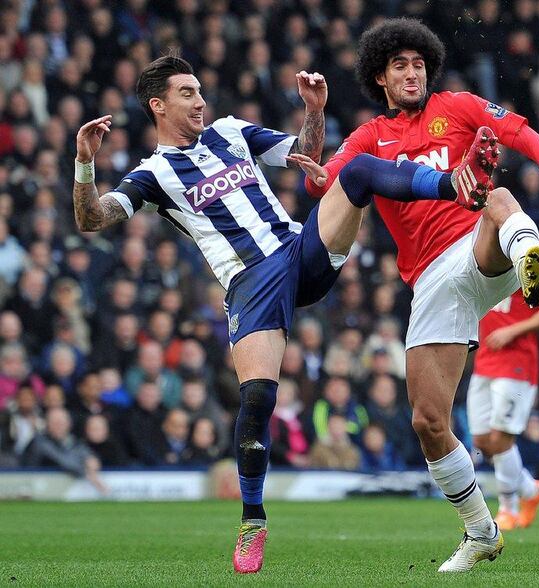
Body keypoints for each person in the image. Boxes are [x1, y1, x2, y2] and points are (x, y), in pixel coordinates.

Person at [72, 53, 496, 574]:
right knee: (258, 398)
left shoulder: (229, 131)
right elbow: (93, 218)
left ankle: (453, 183)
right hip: (250, 283)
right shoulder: (153, 174)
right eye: (187, 93)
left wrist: (313, 110)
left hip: (298, 251)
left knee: (359, 171)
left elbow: (305, 154)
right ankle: (253, 520)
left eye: (200, 90)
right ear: (158, 106)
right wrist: (85, 162)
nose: (201, 100)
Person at [304, 18, 539, 572]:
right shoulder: (369, 139)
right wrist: (316, 114)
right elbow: (319, 184)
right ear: (381, 77)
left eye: (418, 63)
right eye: (399, 65)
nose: (412, 73)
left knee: (497, 193)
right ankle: (481, 530)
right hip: (431, 282)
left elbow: (531, 140)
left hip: (479, 245)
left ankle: (530, 251)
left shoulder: (457, 107)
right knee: (428, 421)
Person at [467, 287, 539, 531]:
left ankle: (508, 508)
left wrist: (513, 330)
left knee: (501, 437)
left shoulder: (528, 259)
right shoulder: (480, 258)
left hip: (516, 364)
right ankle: (530, 490)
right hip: (486, 360)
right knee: (483, 440)